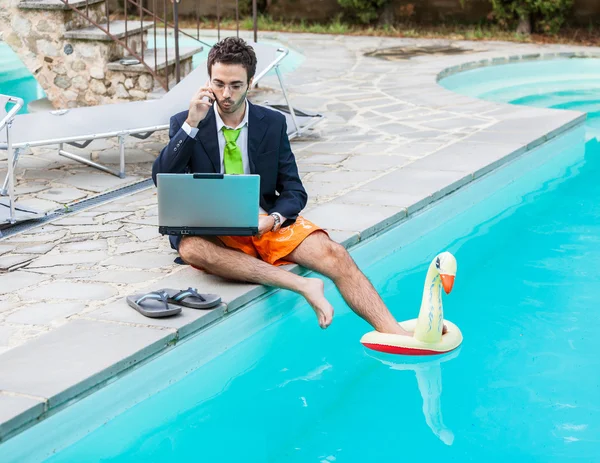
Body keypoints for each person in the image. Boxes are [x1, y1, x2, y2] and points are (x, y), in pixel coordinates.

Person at [152, 37, 410, 335]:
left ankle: (394, 332)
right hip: (210, 226)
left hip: (265, 221)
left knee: (334, 254)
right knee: (192, 249)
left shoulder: (272, 123)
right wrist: (191, 124)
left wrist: (273, 219)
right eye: (218, 84)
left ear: (251, 82)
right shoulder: (186, 122)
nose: (225, 93)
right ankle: (303, 285)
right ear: (208, 81)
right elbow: (161, 178)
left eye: (235, 85)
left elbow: (294, 190)